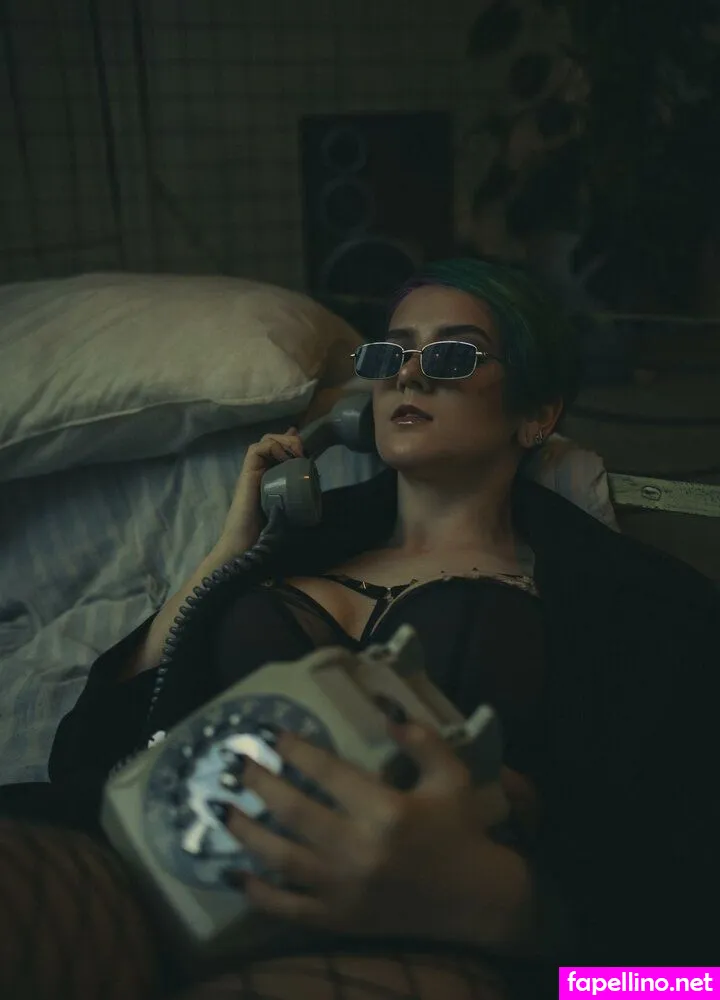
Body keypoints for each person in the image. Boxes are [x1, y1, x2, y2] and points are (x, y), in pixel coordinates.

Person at [0, 258, 717, 1000]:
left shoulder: (635, 600)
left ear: (537, 413)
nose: (408, 374)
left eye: (453, 353)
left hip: (422, 934)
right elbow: (84, 754)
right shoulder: (284, 548)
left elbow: (687, 978)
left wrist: (498, 904)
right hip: (172, 866)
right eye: (391, 352)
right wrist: (224, 559)